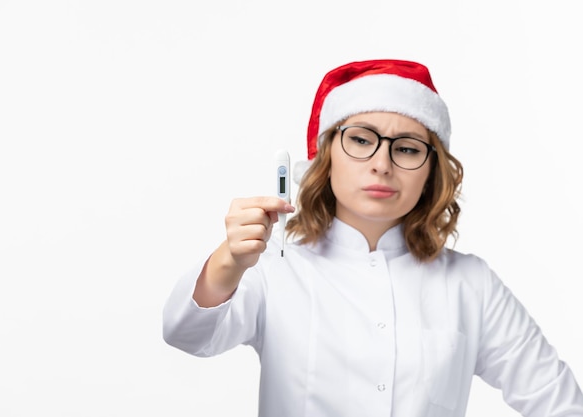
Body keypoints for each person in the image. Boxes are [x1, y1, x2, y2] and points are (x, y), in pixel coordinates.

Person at [162, 59, 583, 416]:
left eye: (406, 148)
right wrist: (229, 260)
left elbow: (559, 401)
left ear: (431, 170)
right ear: (327, 157)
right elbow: (187, 334)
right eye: (361, 140)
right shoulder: (275, 266)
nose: (382, 163)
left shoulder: (471, 284)